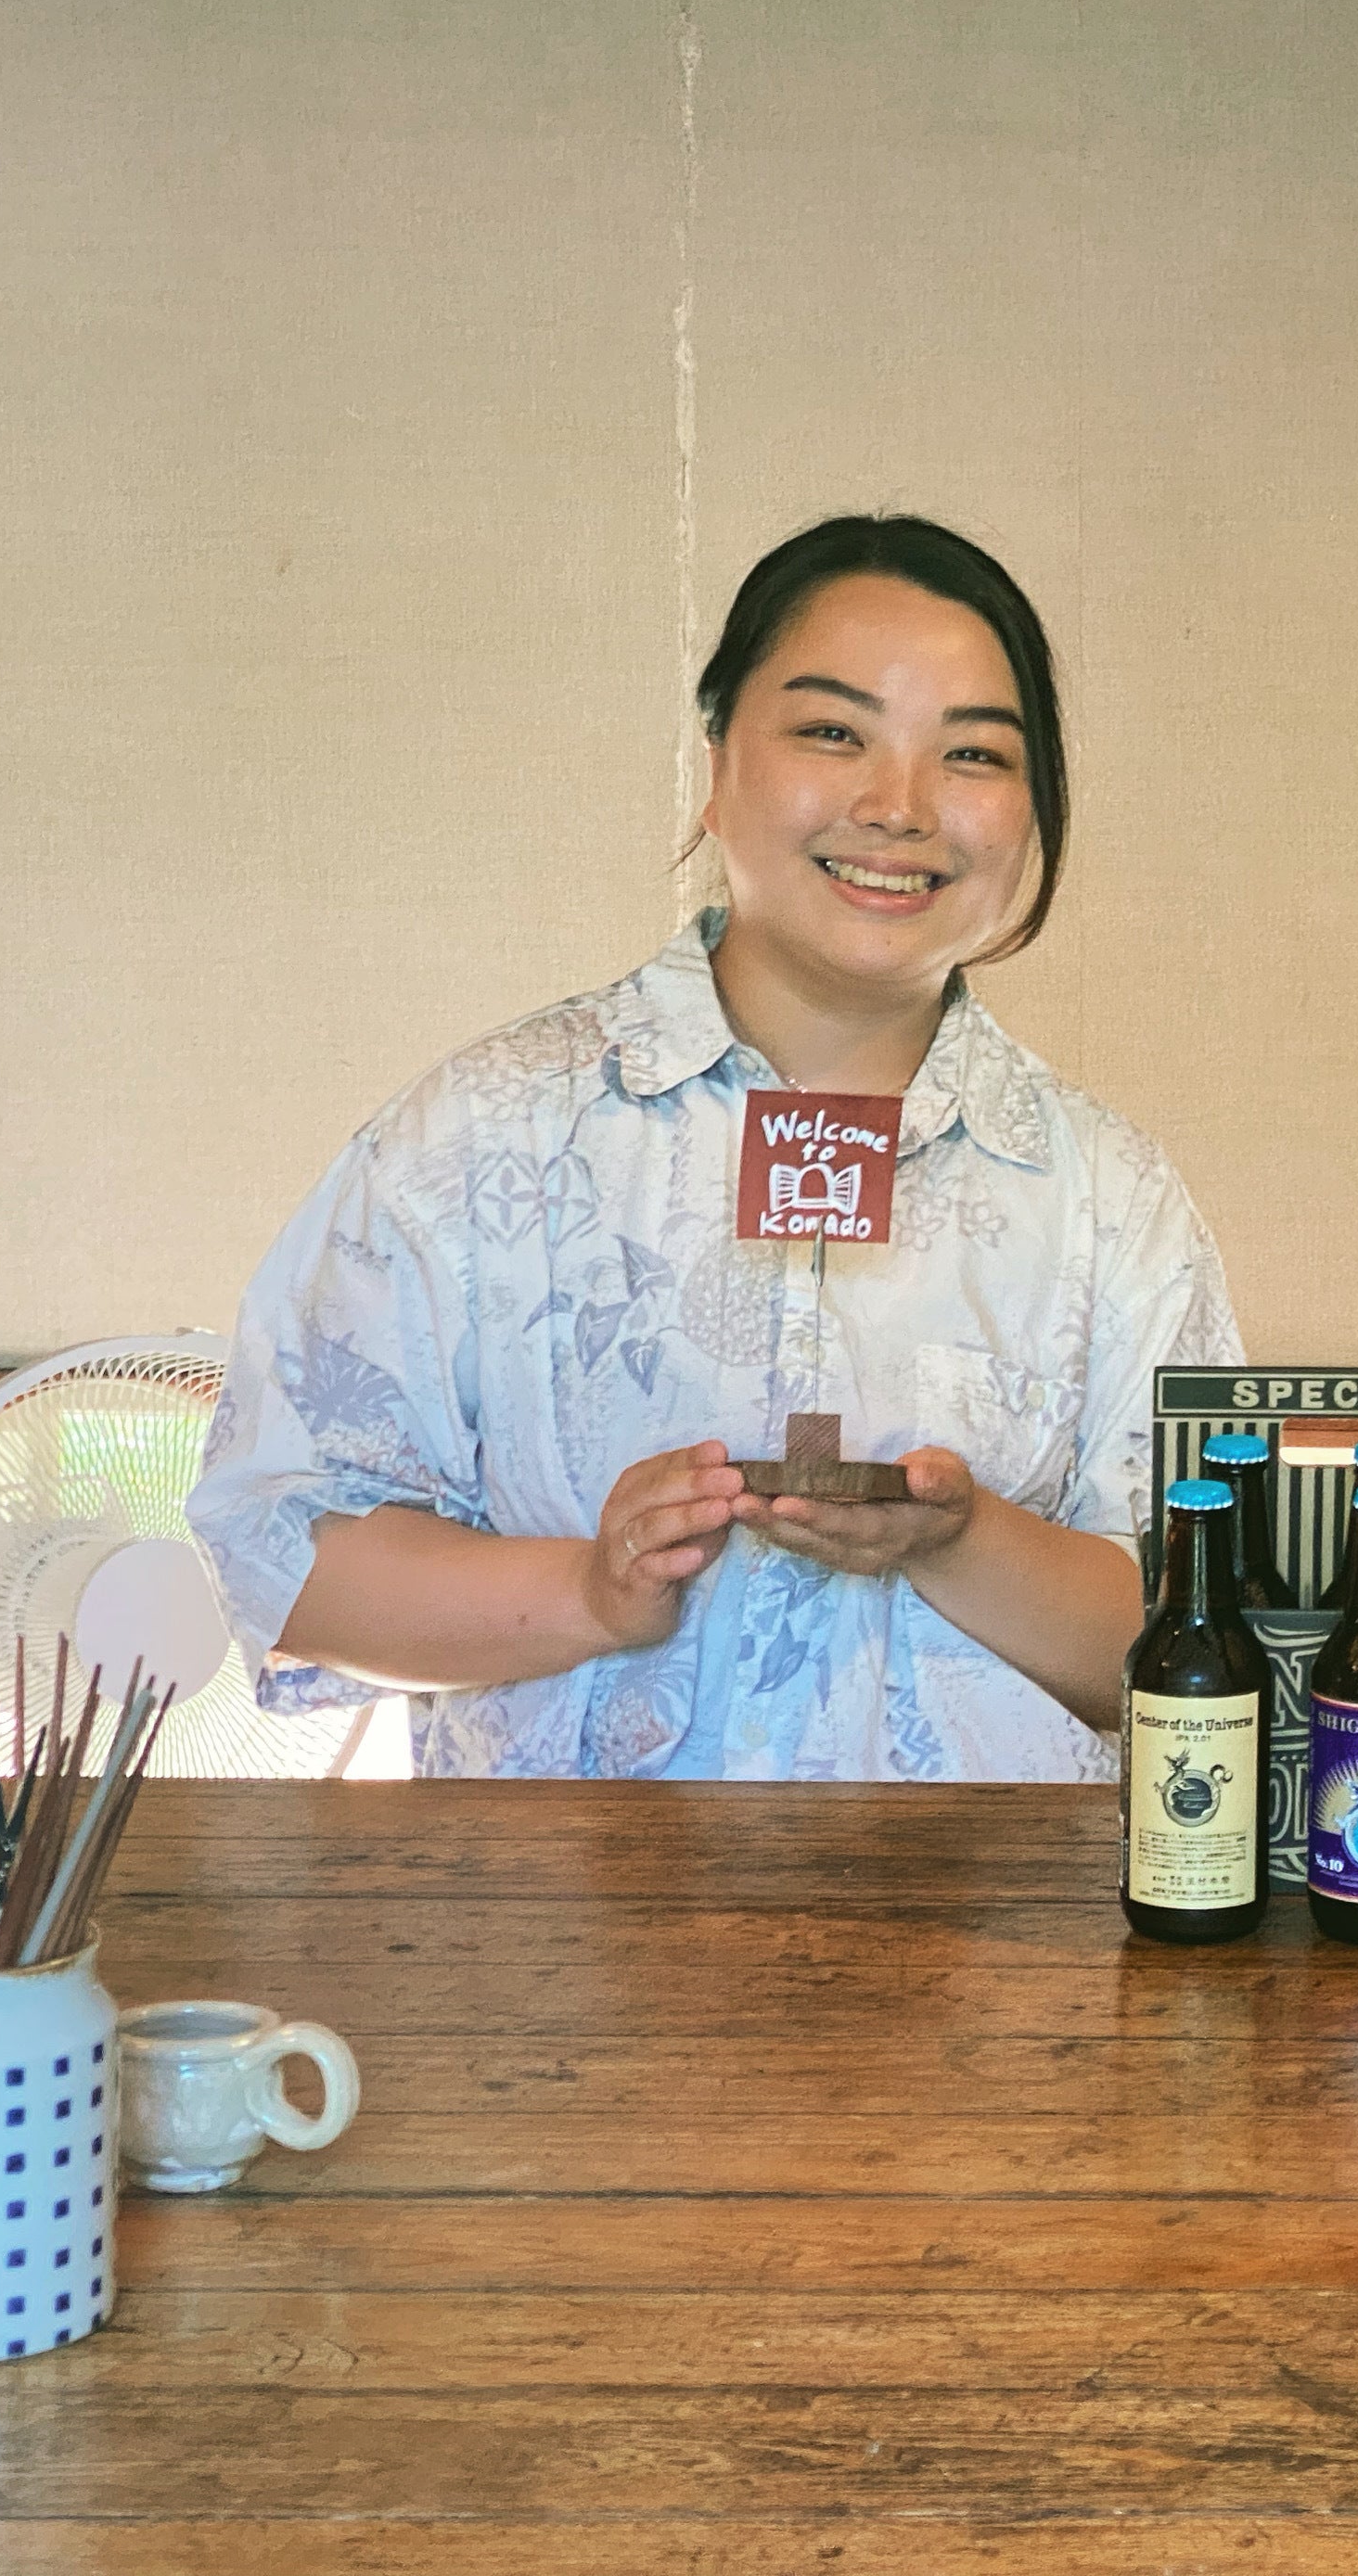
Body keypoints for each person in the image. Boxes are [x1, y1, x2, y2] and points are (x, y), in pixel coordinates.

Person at [189, 515, 1241, 1778]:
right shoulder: (486, 1132)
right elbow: (285, 1557)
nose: (898, 807)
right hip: (566, 1906)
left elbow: (1216, 1643)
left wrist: (960, 1540)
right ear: (717, 759)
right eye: (833, 732)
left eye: (971, 753)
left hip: (987, 1909)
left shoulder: (1111, 1202)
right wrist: (591, 1591)